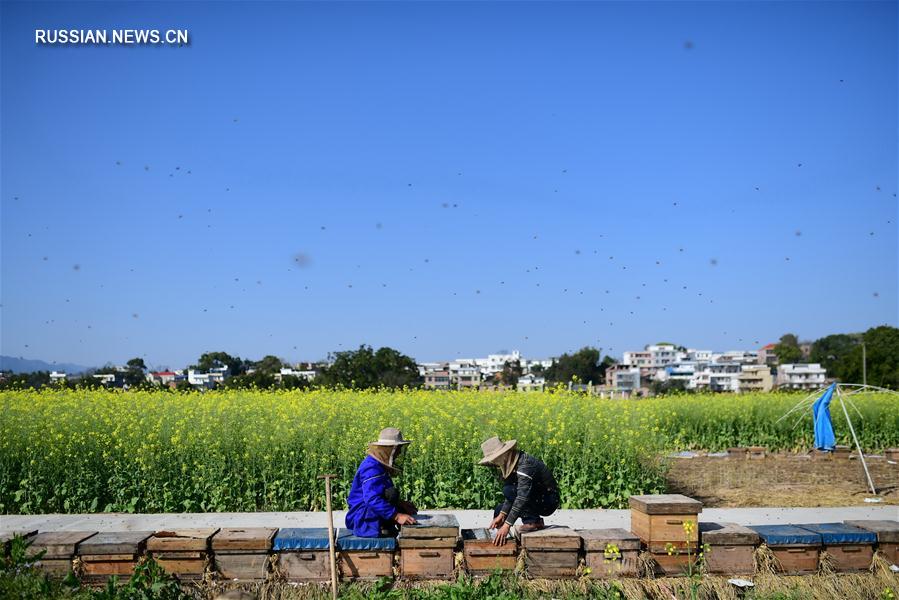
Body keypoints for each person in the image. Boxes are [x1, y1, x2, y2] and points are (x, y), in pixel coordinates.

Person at [478, 436, 560, 546]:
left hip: (548, 500)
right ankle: (500, 540)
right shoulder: (510, 464)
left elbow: (521, 497)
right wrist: (502, 515)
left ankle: (534, 522)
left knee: (508, 491)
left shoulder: (525, 464)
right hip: (535, 496)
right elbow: (512, 495)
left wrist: (507, 525)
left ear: (503, 455)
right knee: (499, 510)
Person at [345, 427, 418, 537]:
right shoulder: (371, 467)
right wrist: (397, 516)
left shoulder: (378, 465)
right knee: (393, 496)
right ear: (388, 449)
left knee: (402, 504)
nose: (398, 453)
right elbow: (372, 499)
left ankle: (386, 525)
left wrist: (400, 504)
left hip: (368, 511)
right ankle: (380, 527)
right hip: (362, 518)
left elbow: (383, 493)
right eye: (397, 449)